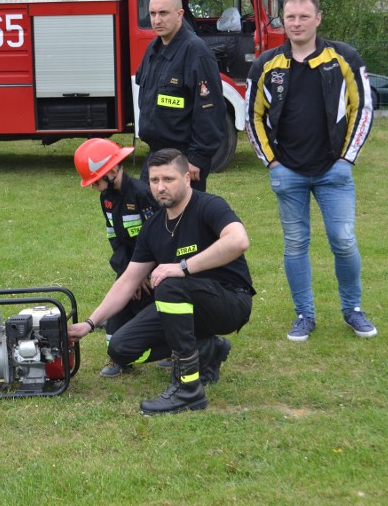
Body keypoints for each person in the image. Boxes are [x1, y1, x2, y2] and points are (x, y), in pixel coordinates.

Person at [68, 149, 254, 415]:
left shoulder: (209, 205)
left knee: (168, 283)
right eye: (155, 180)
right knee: (120, 348)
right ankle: (206, 348)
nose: (160, 187)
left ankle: (187, 389)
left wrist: (184, 267)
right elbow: (128, 280)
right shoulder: (153, 226)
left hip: (229, 301)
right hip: (183, 302)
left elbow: (238, 241)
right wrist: (90, 323)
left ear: (188, 178)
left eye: (169, 179)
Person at [245, 0, 376, 342]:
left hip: (334, 171)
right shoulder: (266, 64)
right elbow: (251, 116)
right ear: (283, 21)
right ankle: (304, 314)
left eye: (304, 16)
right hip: (287, 173)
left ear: (318, 19)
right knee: (295, 244)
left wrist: (347, 158)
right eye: (291, 17)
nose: (297, 23)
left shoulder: (344, 57)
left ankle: (353, 310)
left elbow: (361, 108)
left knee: (344, 240)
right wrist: (271, 162)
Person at [73, 138, 158, 377]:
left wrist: (144, 274)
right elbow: (115, 238)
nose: (93, 187)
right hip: (129, 265)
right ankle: (117, 356)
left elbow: (157, 239)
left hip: (154, 267)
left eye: (95, 181)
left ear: (111, 171)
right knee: (119, 305)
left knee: (157, 302)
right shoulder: (107, 199)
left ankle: (174, 350)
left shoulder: (143, 195)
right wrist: (128, 274)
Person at [134, 0, 224, 192]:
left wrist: (197, 158)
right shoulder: (153, 50)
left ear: (179, 14)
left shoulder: (196, 53)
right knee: (150, 219)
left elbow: (210, 111)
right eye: (153, 13)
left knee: (182, 222)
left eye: (163, 13)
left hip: (183, 159)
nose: (157, 20)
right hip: (155, 155)